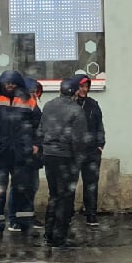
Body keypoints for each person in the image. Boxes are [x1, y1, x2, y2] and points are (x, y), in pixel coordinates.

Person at [0, 69, 39, 241]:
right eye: (7, 83)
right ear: (1, 83)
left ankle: (25, 224)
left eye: (13, 83)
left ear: (18, 84)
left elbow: (38, 125)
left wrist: (36, 145)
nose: (10, 86)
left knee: (23, 190)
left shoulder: (29, 100)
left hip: (21, 153)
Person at [39, 78, 91, 248]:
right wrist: (78, 160)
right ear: (75, 92)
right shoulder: (76, 111)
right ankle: (60, 236)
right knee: (66, 197)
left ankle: (48, 233)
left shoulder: (48, 106)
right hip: (66, 157)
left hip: (49, 155)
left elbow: (41, 130)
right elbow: (78, 140)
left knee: (54, 195)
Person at [8, 78, 44, 235]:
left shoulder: (32, 105)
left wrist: (37, 144)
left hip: (31, 155)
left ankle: (27, 217)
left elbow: (38, 127)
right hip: (21, 154)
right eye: (34, 91)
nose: (36, 95)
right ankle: (14, 220)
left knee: (31, 186)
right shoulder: (21, 105)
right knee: (19, 187)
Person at [71, 73, 105, 226]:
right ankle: (68, 213)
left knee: (91, 184)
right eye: (81, 86)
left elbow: (99, 126)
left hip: (92, 151)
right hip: (73, 151)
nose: (84, 89)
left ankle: (91, 214)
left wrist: (100, 145)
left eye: (87, 86)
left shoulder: (93, 104)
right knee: (70, 183)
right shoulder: (69, 104)